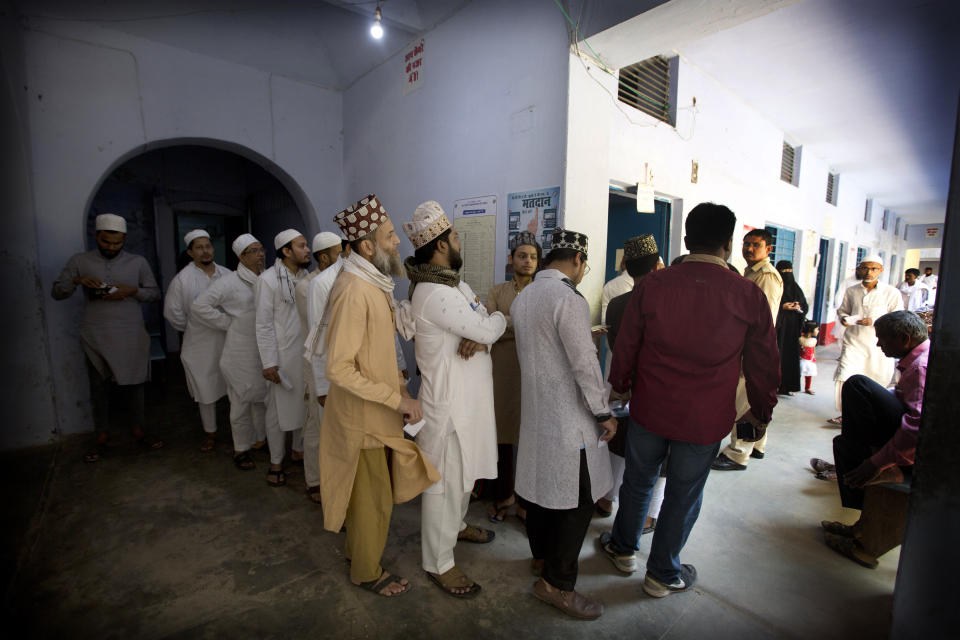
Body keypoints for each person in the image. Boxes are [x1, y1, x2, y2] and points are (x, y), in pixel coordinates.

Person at [600, 202, 779, 598]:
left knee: (638, 479)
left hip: (650, 406)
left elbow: (628, 344)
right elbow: (765, 361)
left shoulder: (653, 285)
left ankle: (622, 549)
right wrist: (761, 411)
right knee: (684, 492)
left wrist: (620, 386)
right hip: (705, 416)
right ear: (729, 244)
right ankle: (661, 573)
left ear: (685, 239)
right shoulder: (747, 294)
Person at [320, 195, 439, 598]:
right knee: (374, 502)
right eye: (390, 236)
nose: (398, 243)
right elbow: (338, 368)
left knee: (368, 499)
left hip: (377, 412)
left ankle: (361, 557)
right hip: (363, 419)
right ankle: (367, 573)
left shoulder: (373, 284)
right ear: (367, 246)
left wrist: (402, 387)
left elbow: (380, 353)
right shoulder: (355, 289)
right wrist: (396, 401)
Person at [397, 201, 506, 598]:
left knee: (464, 477)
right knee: (442, 486)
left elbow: (483, 318)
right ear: (441, 246)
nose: (460, 242)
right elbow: (491, 323)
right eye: (456, 238)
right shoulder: (433, 293)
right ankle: (438, 563)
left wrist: (482, 328)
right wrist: (488, 327)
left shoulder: (452, 285)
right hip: (448, 407)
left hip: (468, 403)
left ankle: (458, 528)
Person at [512, 228, 616, 620]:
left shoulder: (525, 298)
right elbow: (584, 365)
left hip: (538, 414)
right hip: (569, 417)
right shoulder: (568, 298)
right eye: (584, 265)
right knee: (578, 501)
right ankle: (557, 585)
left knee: (542, 491)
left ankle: (541, 560)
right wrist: (603, 413)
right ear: (577, 261)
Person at [51, 213, 164, 462]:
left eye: (117, 243)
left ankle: (139, 430)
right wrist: (78, 280)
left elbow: (154, 293)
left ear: (124, 239)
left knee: (135, 386)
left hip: (130, 333)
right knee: (99, 388)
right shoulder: (80, 261)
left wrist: (132, 291)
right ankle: (102, 436)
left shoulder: (137, 262)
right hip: (95, 335)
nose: (112, 248)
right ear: (97, 236)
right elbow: (57, 292)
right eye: (106, 242)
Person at [821, 311, 929, 568]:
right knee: (844, 444)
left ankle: (866, 533)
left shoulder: (921, 366)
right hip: (912, 441)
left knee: (858, 385)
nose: (879, 344)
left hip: (920, 453)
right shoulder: (916, 360)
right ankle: (862, 524)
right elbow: (905, 399)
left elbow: (917, 425)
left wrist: (877, 461)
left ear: (904, 338)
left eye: (882, 339)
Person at [596, 234, 663, 527]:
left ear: (626, 264)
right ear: (658, 266)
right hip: (656, 389)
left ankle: (607, 498)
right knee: (656, 456)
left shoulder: (617, 301)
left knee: (618, 443)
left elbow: (614, 343)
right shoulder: (668, 301)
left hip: (620, 383)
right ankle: (647, 516)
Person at [191, 234, 268, 470]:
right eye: (254, 251)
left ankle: (259, 439)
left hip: (261, 348)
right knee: (241, 401)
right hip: (239, 350)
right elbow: (199, 306)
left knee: (260, 398)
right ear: (242, 256)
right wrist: (227, 323)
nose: (261, 254)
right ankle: (240, 449)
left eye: (261, 249)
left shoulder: (266, 278)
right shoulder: (229, 282)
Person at [712, 228, 783, 471]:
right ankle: (758, 444)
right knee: (749, 399)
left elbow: (765, 319)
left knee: (742, 401)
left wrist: (749, 350)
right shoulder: (751, 273)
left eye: (755, 245)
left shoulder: (766, 276)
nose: (749, 249)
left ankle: (738, 453)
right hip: (749, 346)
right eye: (746, 244)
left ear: (768, 249)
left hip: (751, 348)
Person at [484, 230, 541, 524]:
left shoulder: (541, 291)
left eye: (533, 257)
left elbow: (539, 329)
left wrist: (506, 323)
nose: (528, 261)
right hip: (502, 371)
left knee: (531, 436)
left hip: (533, 373)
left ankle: (528, 499)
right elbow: (489, 326)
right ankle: (504, 493)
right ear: (511, 259)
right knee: (502, 436)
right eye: (522, 256)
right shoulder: (497, 291)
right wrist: (518, 326)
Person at [163, 229, 231, 451]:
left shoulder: (226, 274)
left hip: (228, 340)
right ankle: (210, 433)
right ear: (190, 252)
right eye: (199, 248)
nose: (205, 251)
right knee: (205, 390)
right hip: (199, 344)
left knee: (234, 385)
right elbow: (173, 313)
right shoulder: (182, 279)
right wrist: (194, 327)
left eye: (208, 246)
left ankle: (239, 430)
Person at [256, 229, 311, 487]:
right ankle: (276, 462)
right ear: (286, 251)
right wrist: (268, 362)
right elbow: (263, 324)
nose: (307, 249)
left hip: (304, 355)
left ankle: (298, 450)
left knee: (305, 404)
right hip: (280, 358)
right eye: (301, 246)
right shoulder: (267, 280)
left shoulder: (306, 277)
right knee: (276, 413)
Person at [294, 231, 343, 501]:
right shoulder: (309, 287)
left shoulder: (337, 280)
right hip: (317, 364)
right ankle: (315, 480)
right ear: (324, 257)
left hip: (336, 365)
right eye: (339, 253)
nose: (344, 257)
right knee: (316, 425)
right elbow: (321, 331)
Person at [833, 256, 904, 412]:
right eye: (865, 268)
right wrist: (844, 318)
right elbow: (843, 310)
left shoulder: (891, 292)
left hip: (879, 344)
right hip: (854, 340)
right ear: (859, 269)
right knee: (845, 375)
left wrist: (873, 321)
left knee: (876, 378)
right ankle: (845, 413)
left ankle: (870, 411)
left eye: (874, 269)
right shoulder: (852, 291)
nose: (869, 272)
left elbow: (898, 317)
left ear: (881, 270)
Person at [774, 260, 809, 396]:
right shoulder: (776, 286)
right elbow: (769, 304)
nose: (787, 275)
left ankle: (788, 386)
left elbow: (805, 307)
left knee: (790, 358)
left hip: (792, 331)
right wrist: (782, 307)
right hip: (778, 330)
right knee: (777, 356)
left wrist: (798, 307)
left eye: (789, 271)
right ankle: (775, 385)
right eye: (784, 272)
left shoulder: (796, 288)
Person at [799, 320, 819, 395]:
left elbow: (813, 350)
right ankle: (794, 387)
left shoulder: (814, 340)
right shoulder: (800, 339)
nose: (818, 331)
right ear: (811, 330)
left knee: (809, 374)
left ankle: (807, 388)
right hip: (801, 360)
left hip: (809, 360)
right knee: (799, 374)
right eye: (817, 329)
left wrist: (813, 358)